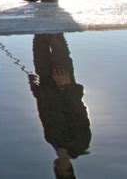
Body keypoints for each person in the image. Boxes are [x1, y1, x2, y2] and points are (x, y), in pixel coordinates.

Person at [29, 33, 91, 179]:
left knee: (38, 40)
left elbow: (44, 111)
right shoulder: (80, 144)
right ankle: (51, 12)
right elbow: (80, 113)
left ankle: (39, 13)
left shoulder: (51, 139)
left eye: (57, 172)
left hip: (45, 83)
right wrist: (66, 86)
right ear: (69, 169)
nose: (57, 167)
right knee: (56, 38)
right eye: (63, 171)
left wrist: (35, 88)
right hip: (62, 79)